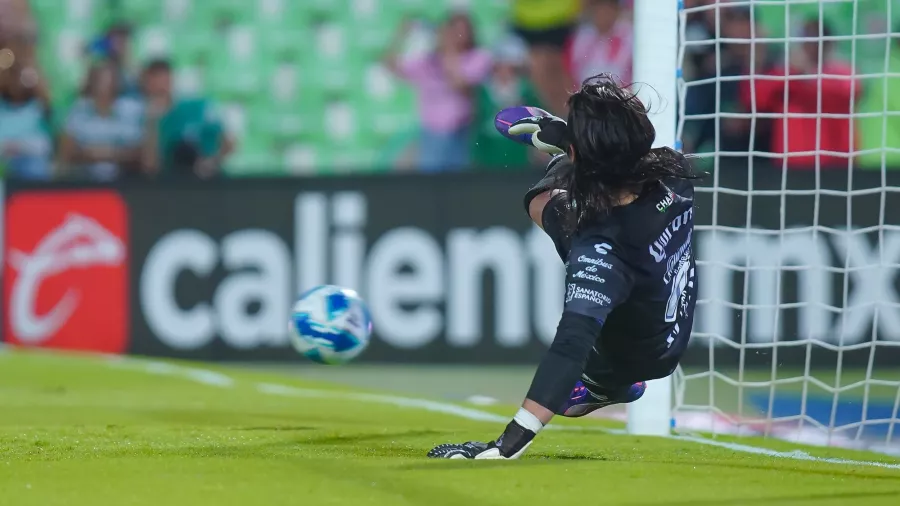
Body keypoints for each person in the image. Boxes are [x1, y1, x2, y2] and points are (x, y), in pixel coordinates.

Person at [428, 75, 700, 460]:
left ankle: (604, 387)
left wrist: (506, 446)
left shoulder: (598, 251)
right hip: (673, 332)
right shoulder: (676, 172)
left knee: (541, 201)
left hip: (620, 363)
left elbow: (569, 347)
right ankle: (566, 148)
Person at [740, 19, 860, 169]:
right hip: (792, 165)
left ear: (829, 43)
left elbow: (848, 92)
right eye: (807, 38)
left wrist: (806, 74)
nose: (812, 45)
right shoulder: (786, 75)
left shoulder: (842, 74)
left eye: (816, 38)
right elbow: (754, 99)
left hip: (836, 165)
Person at [384, 13, 492, 172]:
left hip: (461, 133)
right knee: (430, 187)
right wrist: (401, 34)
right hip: (431, 134)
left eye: (462, 32)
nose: (458, 36)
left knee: (459, 186)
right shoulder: (426, 61)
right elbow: (391, 66)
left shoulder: (477, 57)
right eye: (454, 31)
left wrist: (448, 49)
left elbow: (459, 84)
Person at [140, 58, 235, 178]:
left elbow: (229, 144)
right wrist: (151, 122)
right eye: (154, 80)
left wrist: (211, 162)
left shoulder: (198, 106)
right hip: (174, 184)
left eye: (164, 79)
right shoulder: (147, 120)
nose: (161, 85)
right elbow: (150, 167)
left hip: (210, 180)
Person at [57, 61, 144, 180]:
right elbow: (67, 152)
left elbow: (140, 153)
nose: (104, 86)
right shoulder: (78, 109)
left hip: (125, 180)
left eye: (108, 80)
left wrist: (108, 154)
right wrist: (88, 155)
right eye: (99, 80)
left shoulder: (132, 109)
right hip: (85, 181)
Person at [472, 36, 543, 170]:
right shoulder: (484, 91)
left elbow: (540, 121)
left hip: (518, 156)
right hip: (489, 156)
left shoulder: (526, 90)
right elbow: (478, 124)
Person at [0, 61, 52, 180]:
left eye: (21, 77)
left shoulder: (38, 108)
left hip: (31, 169)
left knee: (35, 166)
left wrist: (18, 147)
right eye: (12, 77)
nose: (16, 83)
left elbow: (44, 146)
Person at [565, 0, 633, 85]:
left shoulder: (628, 36)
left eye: (608, 7)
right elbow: (571, 73)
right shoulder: (581, 37)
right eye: (599, 7)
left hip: (620, 94)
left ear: (617, 9)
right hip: (587, 94)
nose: (603, 12)